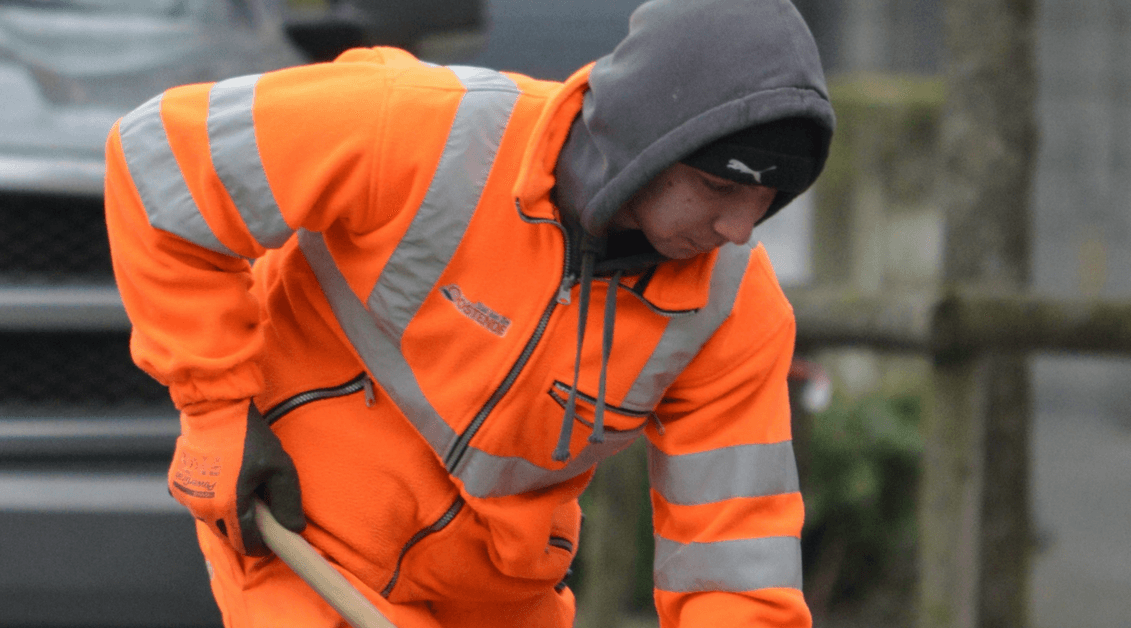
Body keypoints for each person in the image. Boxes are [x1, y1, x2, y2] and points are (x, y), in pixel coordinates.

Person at [103, 0, 835, 625]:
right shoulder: (422, 130)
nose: (740, 229)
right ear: (645, 142)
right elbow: (159, 160)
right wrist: (218, 410)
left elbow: (735, 565)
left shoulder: (732, 310)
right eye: (717, 188)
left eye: (766, 202)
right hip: (301, 540)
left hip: (494, 602)